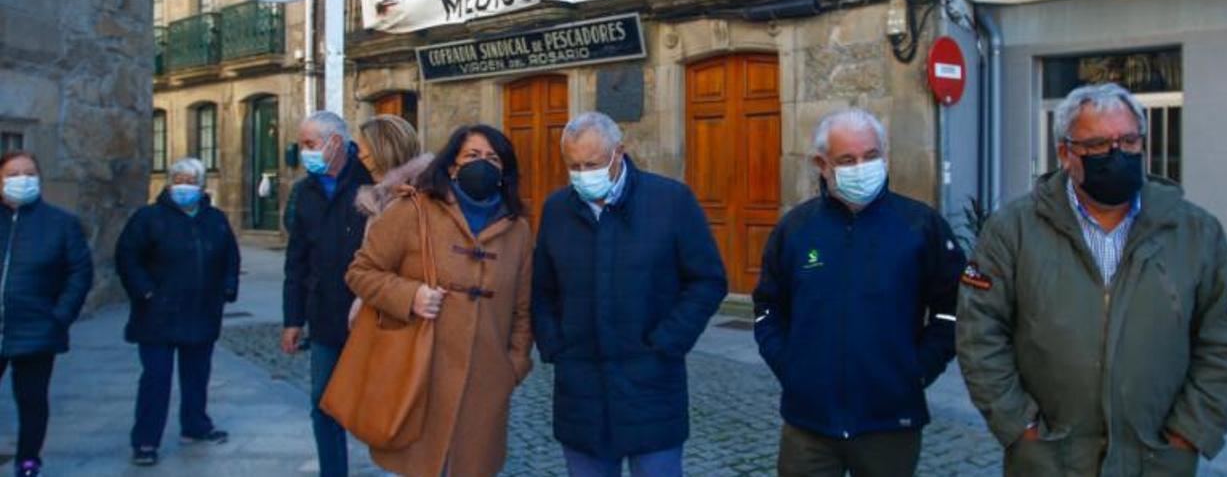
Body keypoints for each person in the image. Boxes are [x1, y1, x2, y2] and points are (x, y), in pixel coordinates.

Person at [957, 83, 1227, 475]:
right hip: (1049, 459)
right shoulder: (1013, 230)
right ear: (1065, 153)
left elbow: (1224, 343)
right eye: (1097, 145)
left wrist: (1189, 434)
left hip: (1156, 458)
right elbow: (980, 334)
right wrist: (1020, 427)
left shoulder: (1196, 231)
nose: (1116, 154)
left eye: (1128, 140)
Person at [752, 109, 965, 476]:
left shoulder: (921, 226)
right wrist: (791, 367)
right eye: (847, 160)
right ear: (822, 164)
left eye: (870, 156)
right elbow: (768, 308)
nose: (861, 167)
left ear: (885, 156)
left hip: (890, 422)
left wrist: (917, 370)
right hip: (809, 425)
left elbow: (955, 309)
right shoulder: (796, 230)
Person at [532, 111, 727, 476]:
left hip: (652, 387)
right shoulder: (557, 209)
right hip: (581, 392)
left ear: (619, 153)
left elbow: (707, 280)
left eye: (591, 163)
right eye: (573, 166)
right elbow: (542, 289)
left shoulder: (671, 201)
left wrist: (670, 340)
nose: (582, 174)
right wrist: (554, 342)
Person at [346, 124, 534, 476]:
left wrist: (515, 365)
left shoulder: (518, 229)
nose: (483, 164)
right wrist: (409, 295)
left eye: (493, 158)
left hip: (485, 385)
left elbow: (523, 310)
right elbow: (360, 271)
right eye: (472, 156)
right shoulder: (412, 210)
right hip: (419, 375)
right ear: (452, 165)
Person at [115, 158, 241, 466]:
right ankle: (145, 440)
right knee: (156, 378)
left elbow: (230, 257)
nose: (184, 186)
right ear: (169, 184)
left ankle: (195, 425)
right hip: (157, 313)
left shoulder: (215, 219)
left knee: (197, 375)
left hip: (201, 310)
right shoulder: (148, 218)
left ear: (201, 185)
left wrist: (227, 288)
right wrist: (144, 291)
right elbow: (127, 257)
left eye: (191, 180)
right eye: (179, 179)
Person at [281, 110, 374, 477]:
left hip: (368, 315)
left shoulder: (370, 183)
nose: (305, 152)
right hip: (323, 317)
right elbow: (296, 261)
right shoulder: (305, 192)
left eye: (309, 144)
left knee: (380, 402)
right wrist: (292, 319)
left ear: (335, 142)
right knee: (323, 403)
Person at [0, 151, 93, 477]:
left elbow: (79, 272)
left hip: (37, 328)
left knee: (32, 399)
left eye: (28, 172)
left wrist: (61, 315)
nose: (21, 179)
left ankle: (28, 459)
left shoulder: (60, 223)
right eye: (13, 173)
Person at [348, 115, 433, 326]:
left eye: (363, 148)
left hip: (412, 316)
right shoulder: (379, 196)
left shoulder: (420, 197)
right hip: (381, 309)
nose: (359, 155)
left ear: (381, 148)